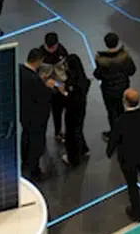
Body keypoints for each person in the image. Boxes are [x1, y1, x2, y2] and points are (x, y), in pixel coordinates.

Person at [110, 88, 140, 221]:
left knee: (132, 184)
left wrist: (110, 151)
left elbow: (114, 139)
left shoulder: (120, 121)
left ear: (125, 102)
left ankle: (136, 212)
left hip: (127, 158)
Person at [19, 47, 56, 180]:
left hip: (24, 114)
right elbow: (43, 98)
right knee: (36, 144)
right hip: (36, 118)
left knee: (26, 137)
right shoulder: (34, 80)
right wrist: (48, 87)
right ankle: (35, 171)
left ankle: (25, 162)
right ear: (38, 61)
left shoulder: (20, 70)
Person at [94, 32, 137, 139]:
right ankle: (125, 132)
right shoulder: (125, 57)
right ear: (117, 42)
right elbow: (132, 71)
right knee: (122, 110)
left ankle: (115, 134)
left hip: (108, 91)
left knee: (112, 113)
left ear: (106, 44)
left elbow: (98, 75)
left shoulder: (101, 60)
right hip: (123, 88)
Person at [61, 53, 91, 166]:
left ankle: (73, 158)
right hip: (81, 109)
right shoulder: (84, 80)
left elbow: (69, 97)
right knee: (78, 129)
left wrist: (63, 92)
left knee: (71, 134)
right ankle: (83, 149)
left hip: (72, 110)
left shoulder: (72, 83)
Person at [39, 32, 70, 142]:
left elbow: (67, 69)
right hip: (47, 88)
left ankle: (65, 132)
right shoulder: (40, 54)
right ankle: (55, 132)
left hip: (62, 87)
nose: (51, 50)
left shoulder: (62, 52)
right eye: (49, 47)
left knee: (65, 111)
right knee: (51, 113)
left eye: (53, 47)